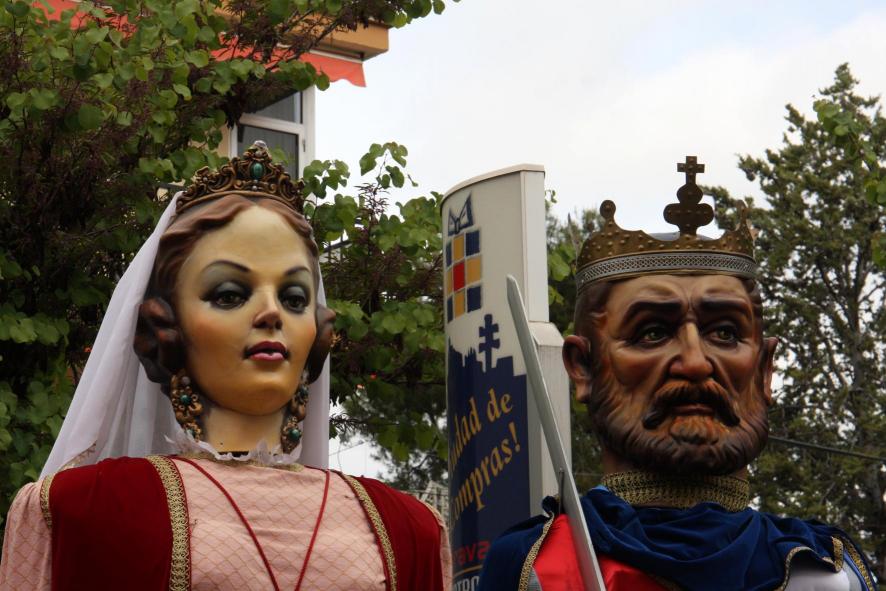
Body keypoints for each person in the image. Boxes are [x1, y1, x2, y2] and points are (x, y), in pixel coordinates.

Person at [0, 143, 450, 590]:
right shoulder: (80, 511)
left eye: (294, 298)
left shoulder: (407, 529)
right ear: (167, 324)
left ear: (319, 328)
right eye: (230, 294)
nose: (271, 313)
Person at [478, 157, 877, 591]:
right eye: (652, 333)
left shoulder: (826, 573)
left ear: (764, 368)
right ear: (583, 367)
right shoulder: (538, 570)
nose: (695, 363)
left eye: (725, 332)